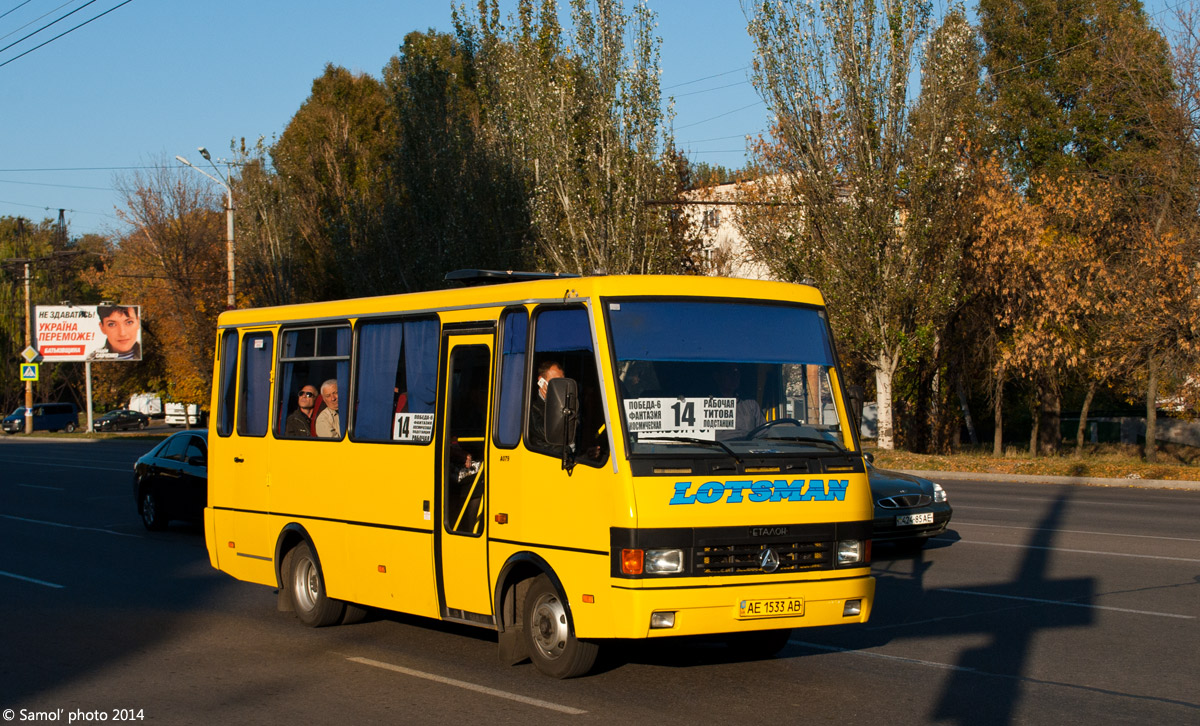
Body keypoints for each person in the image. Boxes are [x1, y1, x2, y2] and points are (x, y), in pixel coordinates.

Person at [714, 365, 763, 440]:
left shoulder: (751, 404)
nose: (734, 376)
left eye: (736, 372)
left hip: (747, 448)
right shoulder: (706, 405)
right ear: (717, 376)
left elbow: (763, 433)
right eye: (728, 372)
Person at [528, 360, 564, 449]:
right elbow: (549, 433)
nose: (560, 386)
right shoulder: (531, 407)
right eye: (555, 382)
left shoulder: (567, 402)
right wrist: (553, 404)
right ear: (542, 381)